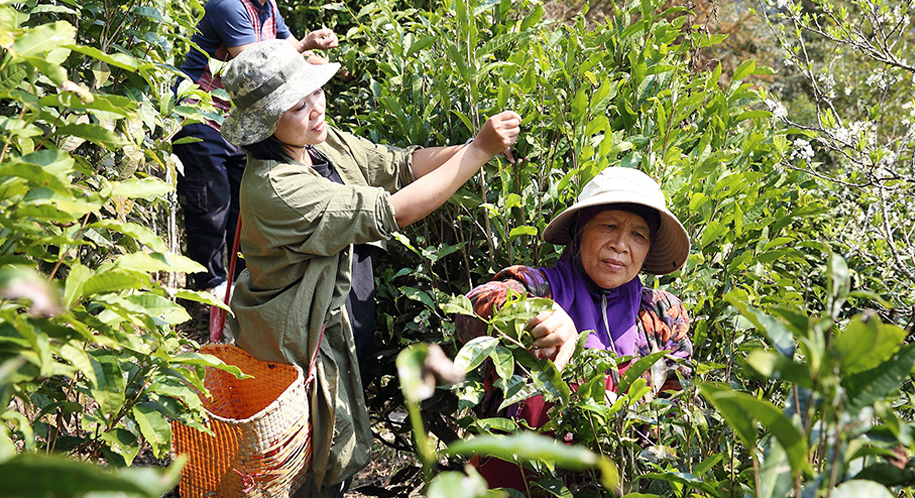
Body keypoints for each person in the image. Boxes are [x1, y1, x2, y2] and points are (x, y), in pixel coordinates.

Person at [218, 39, 521, 497]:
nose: (316, 109)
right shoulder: (274, 187)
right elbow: (392, 211)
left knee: (327, 456)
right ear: (265, 123)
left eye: (315, 93)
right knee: (301, 465)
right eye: (298, 105)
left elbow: (401, 166)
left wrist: (476, 144)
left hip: (338, 331)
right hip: (301, 350)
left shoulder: (316, 142)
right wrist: (477, 152)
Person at [456, 166, 692, 493]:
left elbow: (681, 408)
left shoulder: (661, 314)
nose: (621, 245)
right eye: (609, 226)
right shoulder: (540, 287)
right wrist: (531, 314)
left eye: (638, 235)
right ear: (581, 231)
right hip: (522, 481)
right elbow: (471, 310)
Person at [174, 0, 338, 297]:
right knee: (209, 207)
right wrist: (305, 44)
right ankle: (209, 292)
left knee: (241, 207)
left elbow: (284, 51)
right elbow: (253, 66)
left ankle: (235, 287)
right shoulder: (229, 4)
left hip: (237, 121)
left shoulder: (267, 5)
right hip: (202, 118)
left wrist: (309, 53)